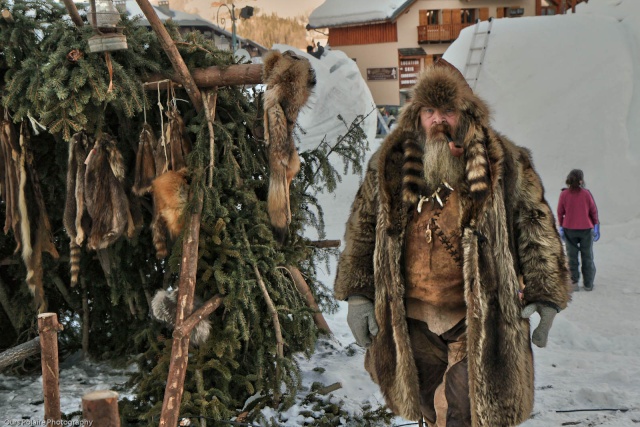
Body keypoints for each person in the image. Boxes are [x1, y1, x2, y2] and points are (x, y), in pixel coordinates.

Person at [334, 59, 571, 426]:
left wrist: (545, 292)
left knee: (463, 411)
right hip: (411, 321)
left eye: (447, 110)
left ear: (466, 113)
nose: (438, 120)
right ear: (418, 114)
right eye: (429, 110)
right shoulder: (391, 163)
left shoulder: (504, 162)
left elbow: (535, 225)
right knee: (428, 407)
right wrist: (357, 294)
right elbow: (363, 229)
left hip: (477, 320)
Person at [557, 169, 599, 291]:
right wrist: (596, 225)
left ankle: (573, 283)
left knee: (571, 257)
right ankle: (588, 284)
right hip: (586, 229)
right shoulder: (586, 194)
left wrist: (561, 226)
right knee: (587, 256)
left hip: (569, 229)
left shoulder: (564, 194)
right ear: (581, 180)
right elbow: (593, 211)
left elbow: (560, 212)